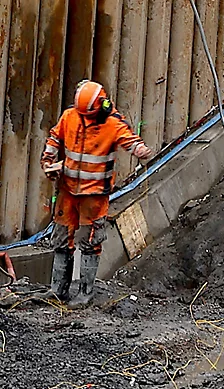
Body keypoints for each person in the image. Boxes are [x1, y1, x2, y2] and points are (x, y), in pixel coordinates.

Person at [40, 79, 151, 307]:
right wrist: (48, 160)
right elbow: (55, 137)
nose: (85, 119)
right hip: (68, 190)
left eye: (88, 115)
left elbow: (127, 138)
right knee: (61, 238)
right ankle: (57, 290)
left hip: (94, 194)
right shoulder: (70, 116)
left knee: (90, 242)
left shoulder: (111, 123)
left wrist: (139, 149)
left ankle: (85, 292)